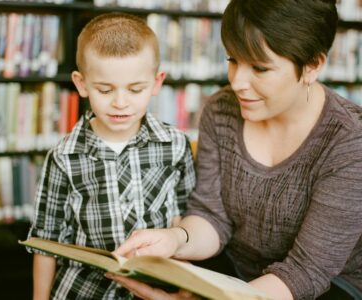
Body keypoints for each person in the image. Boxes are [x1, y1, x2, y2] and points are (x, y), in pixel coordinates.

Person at [111, 1, 362, 300]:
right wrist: (175, 239)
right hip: (234, 270)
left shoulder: (350, 140)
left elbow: (306, 271)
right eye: (233, 59)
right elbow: (212, 216)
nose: (237, 81)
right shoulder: (220, 110)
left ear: (312, 65)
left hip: (325, 286)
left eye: (259, 68)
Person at [26, 13, 196, 300]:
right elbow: (45, 241)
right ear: (81, 84)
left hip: (155, 289)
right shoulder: (64, 156)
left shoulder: (176, 145)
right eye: (105, 89)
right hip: (83, 290)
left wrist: (186, 287)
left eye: (135, 89)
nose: (120, 103)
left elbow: (185, 222)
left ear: (156, 83)